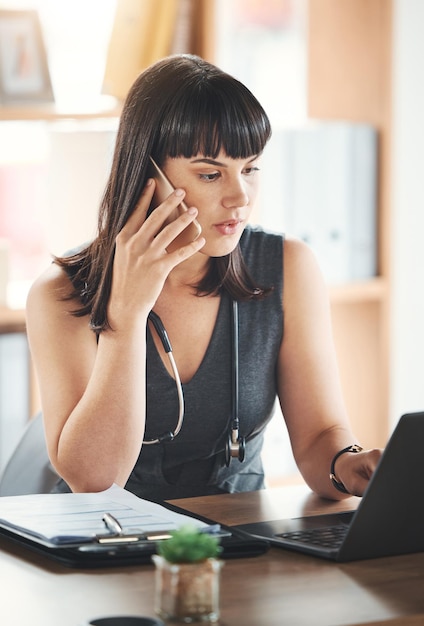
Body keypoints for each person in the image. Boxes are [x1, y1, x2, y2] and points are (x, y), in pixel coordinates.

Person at [26, 54, 382, 502]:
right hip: (106, 545)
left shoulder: (289, 265)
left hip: (241, 544)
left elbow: (318, 438)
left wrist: (348, 466)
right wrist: (126, 315)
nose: (240, 197)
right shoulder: (61, 293)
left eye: (250, 168)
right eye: (211, 174)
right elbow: (94, 481)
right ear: (147, 173)